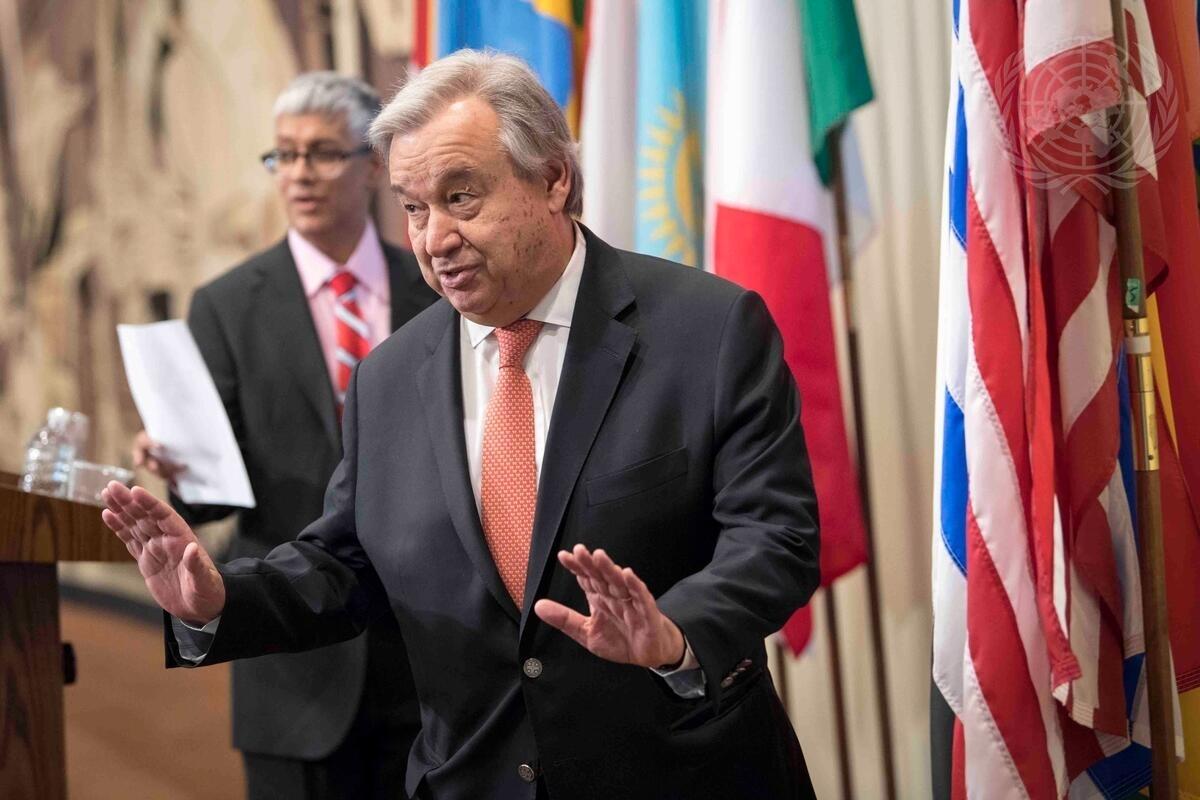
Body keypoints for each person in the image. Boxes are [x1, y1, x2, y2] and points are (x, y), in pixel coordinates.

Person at [107, 50, 820, 800]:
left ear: (553, 179)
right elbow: (344, 563)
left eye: (461, 197)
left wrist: (674, 634)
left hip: (682, 774)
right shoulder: (387, 378)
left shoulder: (706, 329)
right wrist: (219, 598)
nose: (434, 238)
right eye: (414, 208)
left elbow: (776, 536)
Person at [130, 72, 436, 799]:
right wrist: (177, 467)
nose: (299, 173)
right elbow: (213, 498)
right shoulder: (227, 305)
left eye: (322, 153)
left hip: (428, 656)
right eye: (284, 155)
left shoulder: (437, 288)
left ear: (374, 165)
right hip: (291, 665)